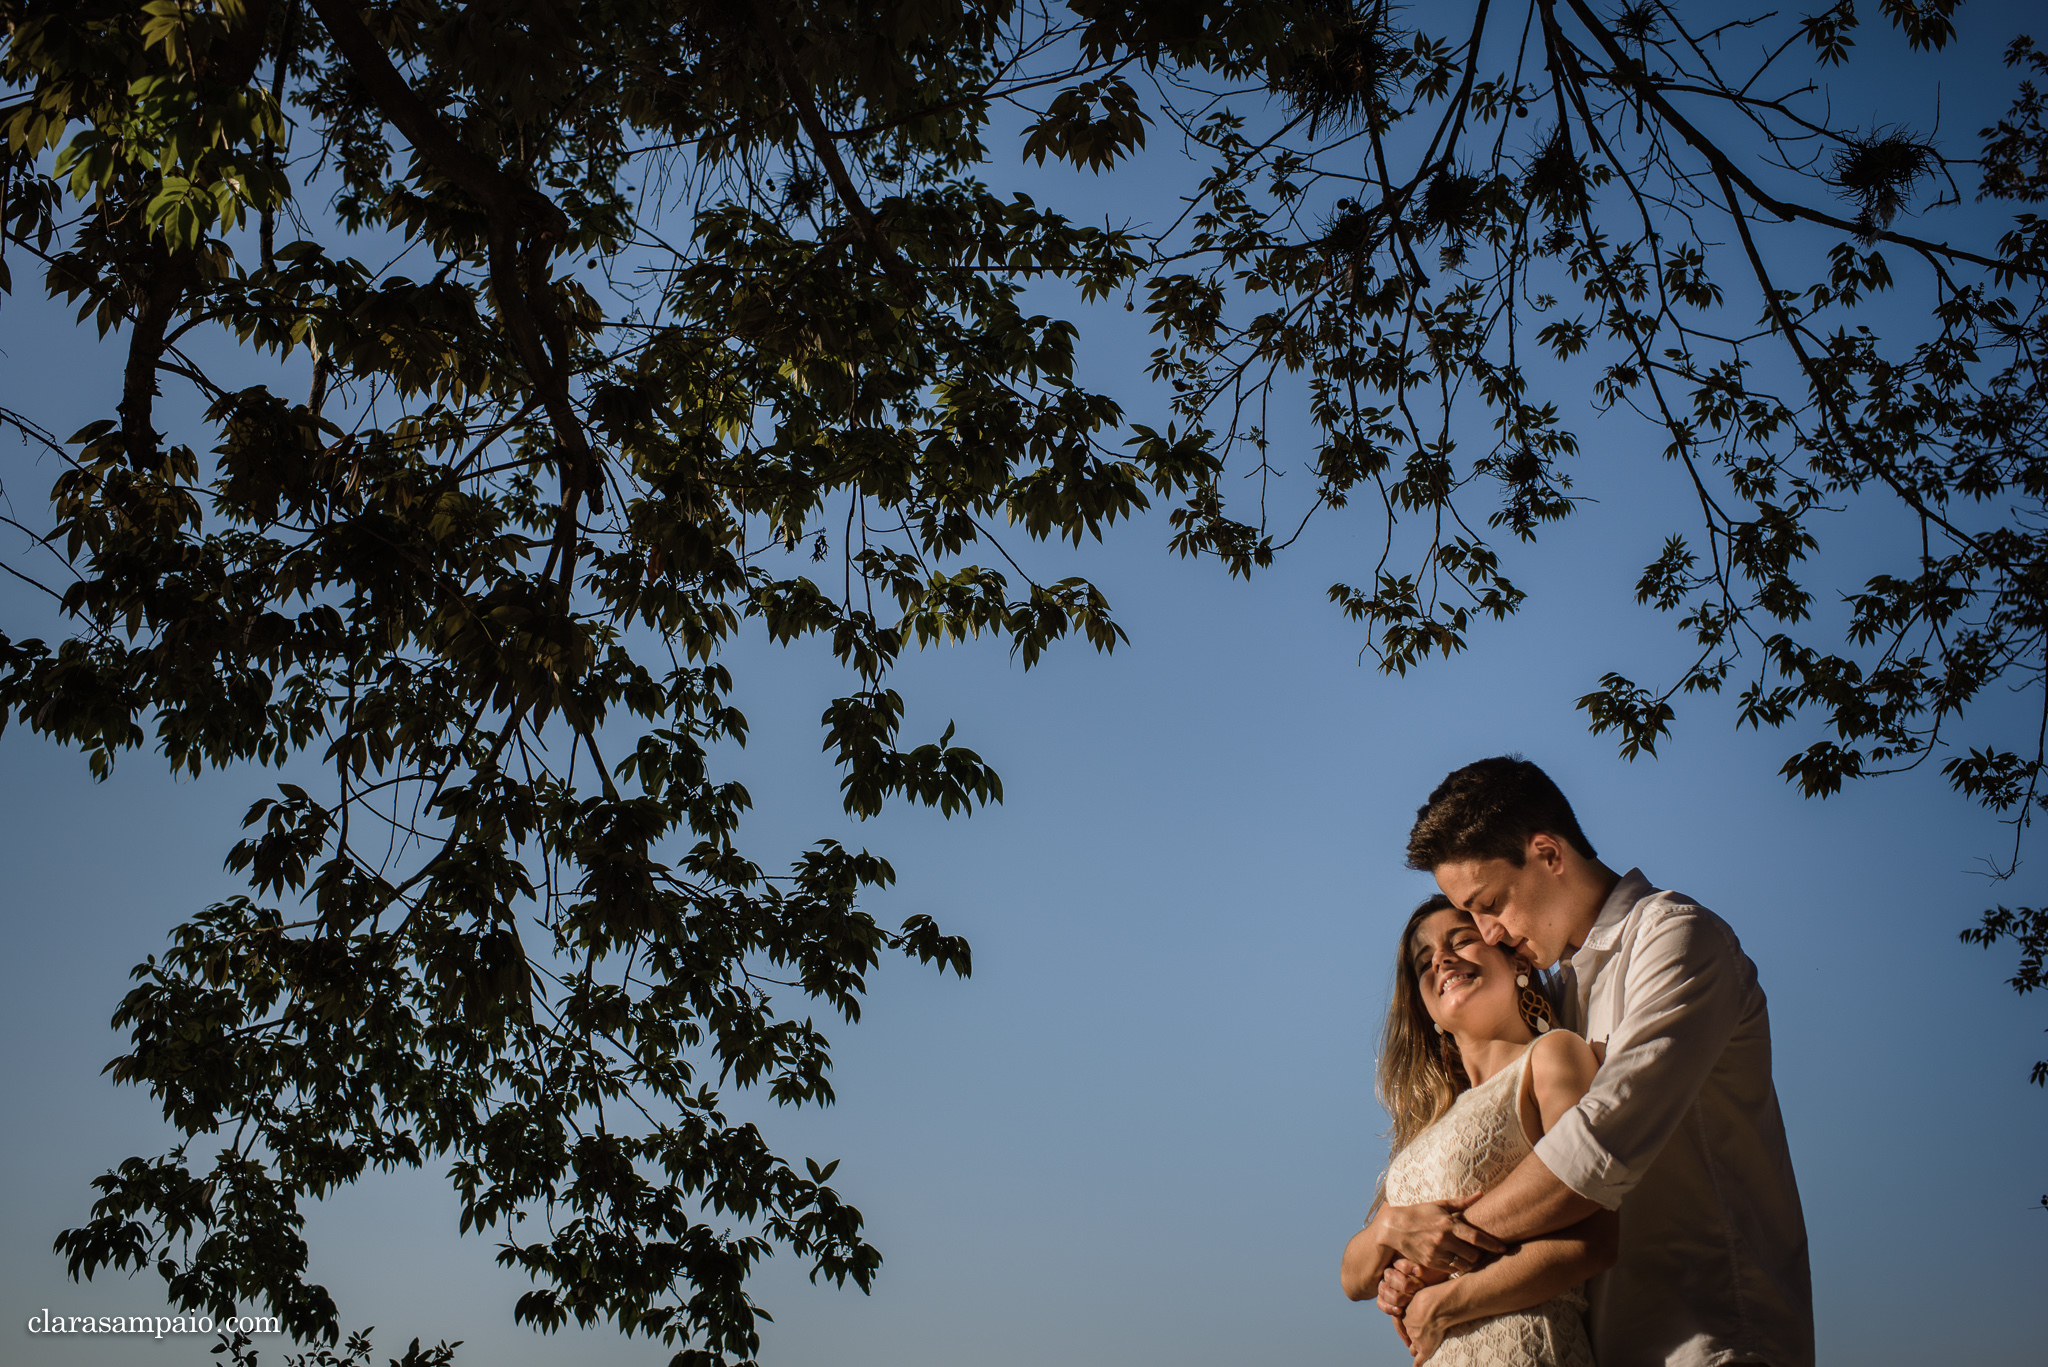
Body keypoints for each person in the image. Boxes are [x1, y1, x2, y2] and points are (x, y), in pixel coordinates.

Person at [1375, 757, 1813, 1367]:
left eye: (1490, 903)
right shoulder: (1557, 1000)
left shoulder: (1676, 940)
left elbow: (1589, 1150)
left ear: (1550, 854)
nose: (1488, 932)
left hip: (1712, 1341)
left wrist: (1441, 1252)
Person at [1343, 895, 1617, 1364]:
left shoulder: (1552, 1055)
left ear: (1516, 962)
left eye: (1462, 940)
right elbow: (1354, 1278)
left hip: (1523, 1345)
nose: (1442, 959)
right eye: (1424, 961)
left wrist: (1442, 1301)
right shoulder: (1430, 1130)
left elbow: (1595, 1241)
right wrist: (1390, 1226)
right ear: (1428, 1009)